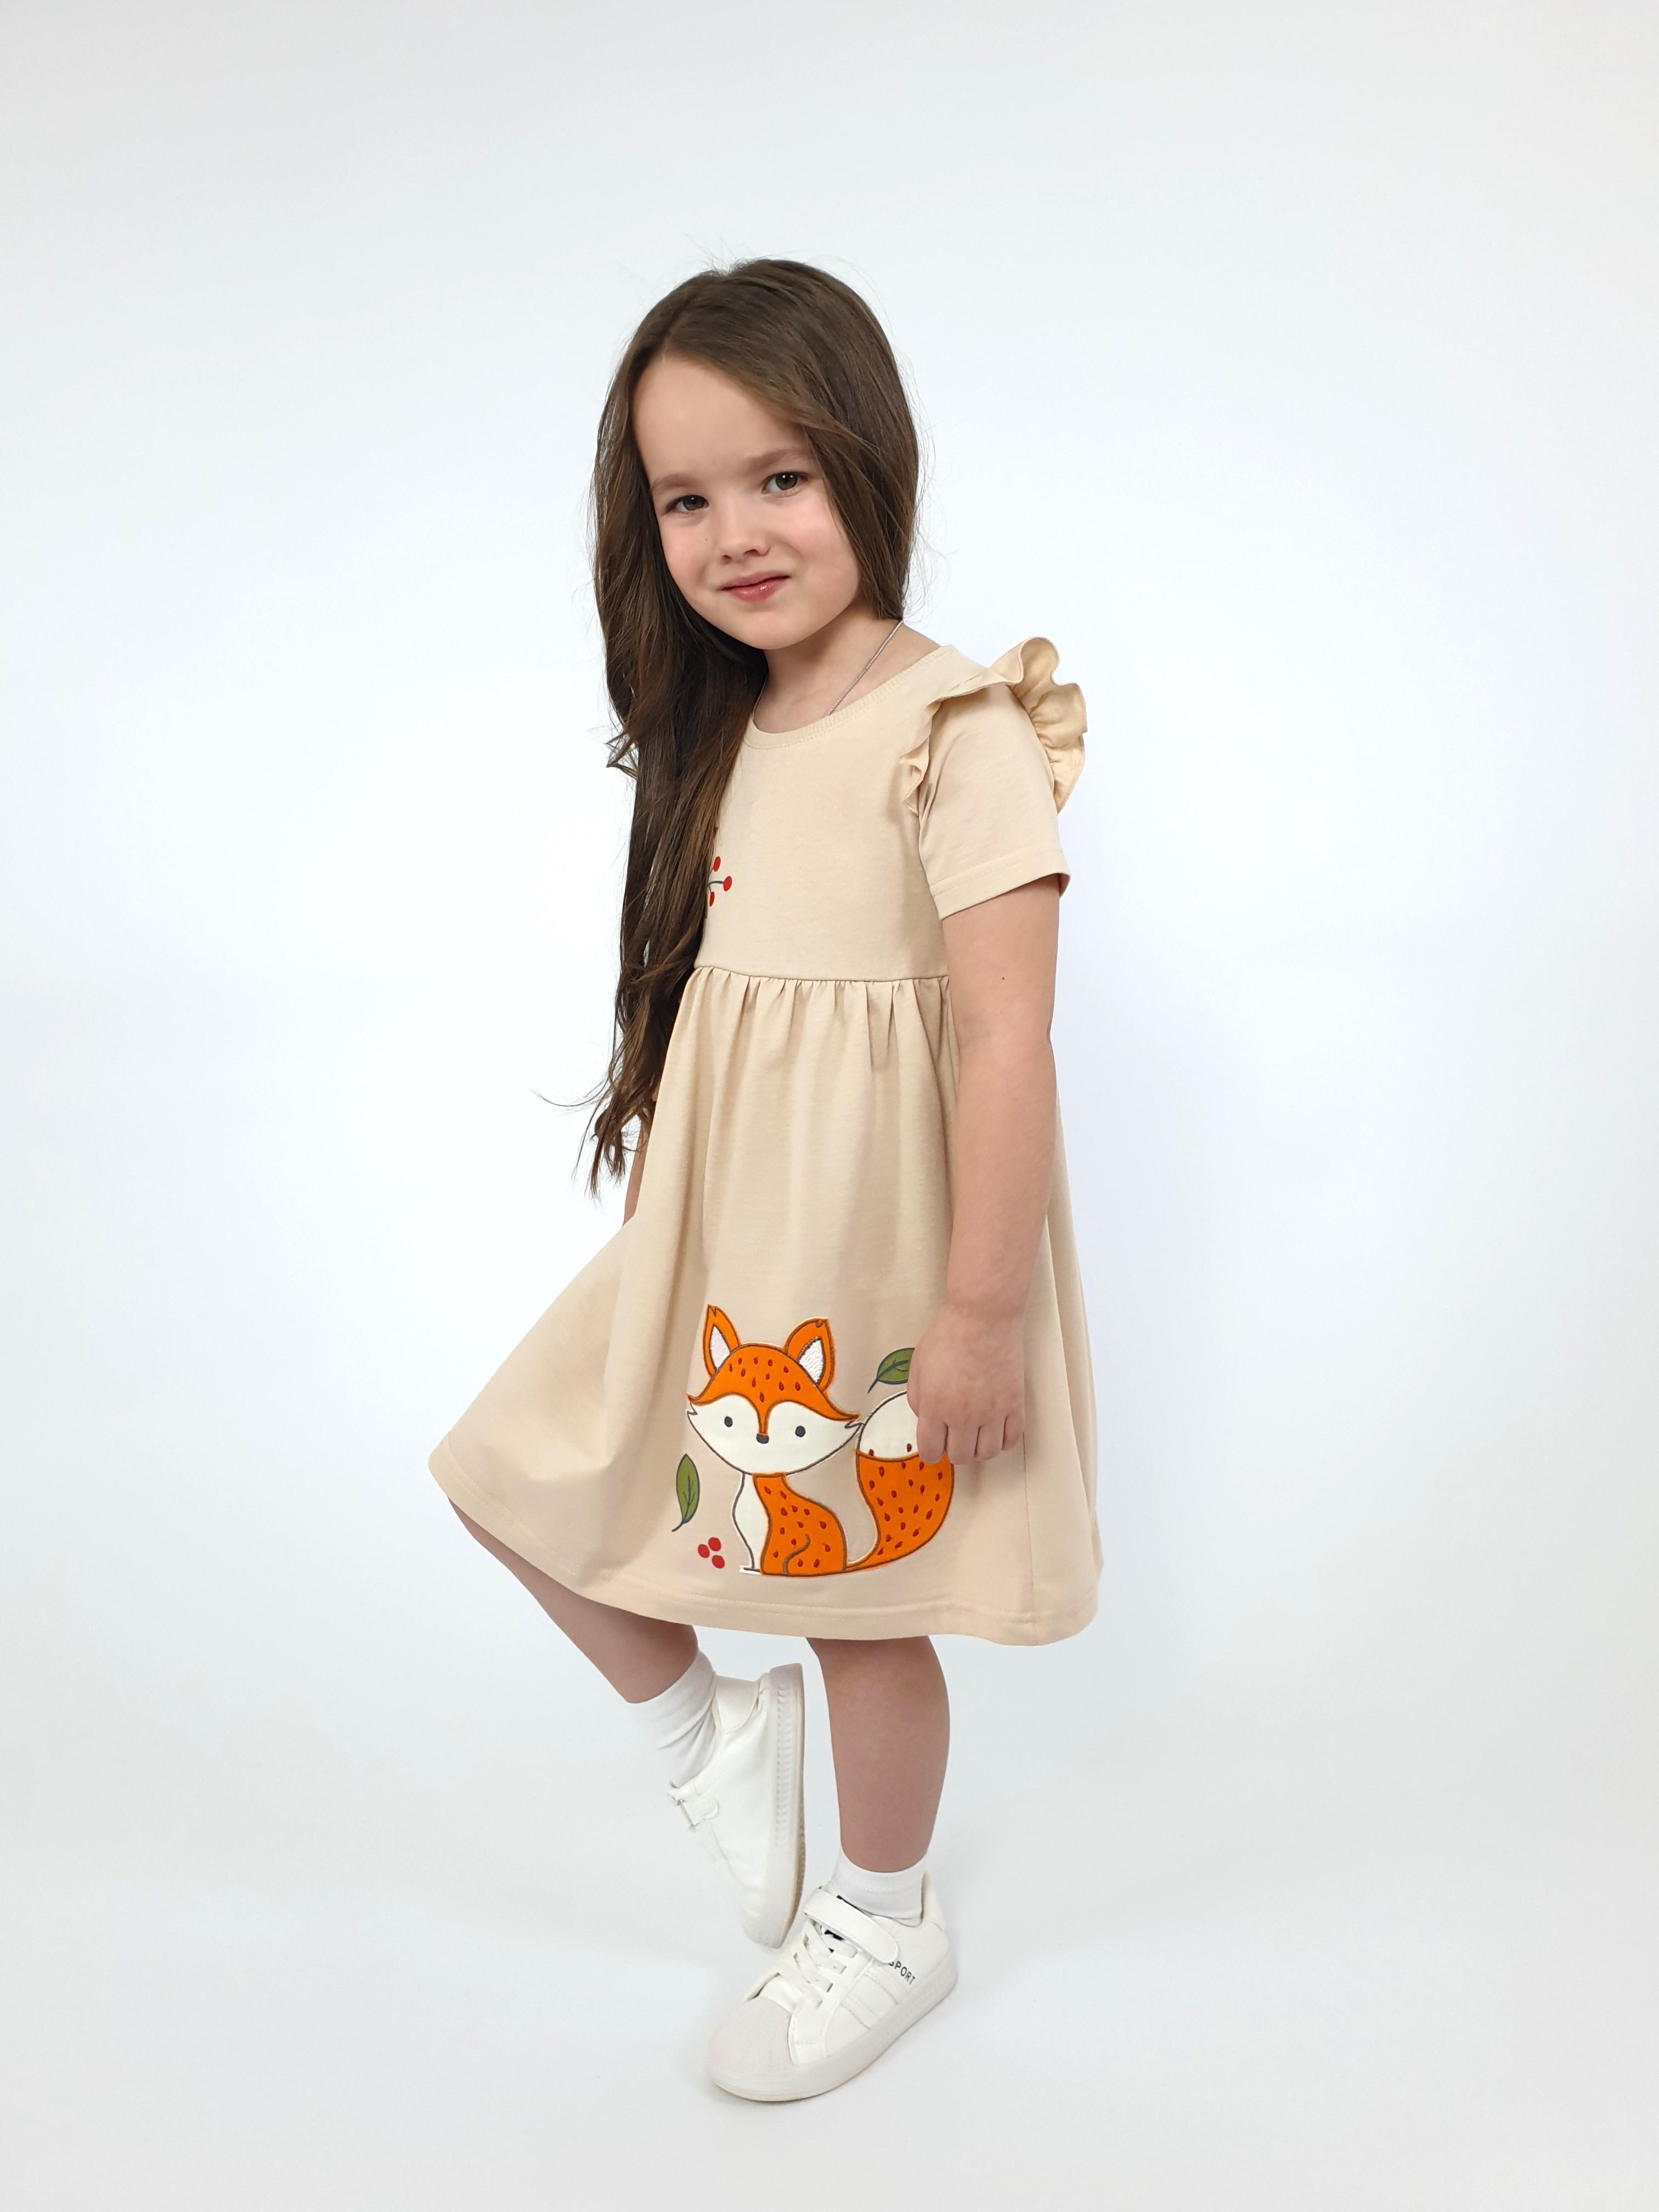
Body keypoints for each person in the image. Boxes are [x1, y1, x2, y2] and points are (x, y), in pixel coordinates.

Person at [428, 256, 1101, 2102]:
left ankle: (883, 1916)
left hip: (883, 1253)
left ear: (867, 461)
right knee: (505, 1470)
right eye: (686, 498)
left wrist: (978, 1312)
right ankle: (712, 1737)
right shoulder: (724, 730)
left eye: (779, 478)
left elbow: (1007, 1038)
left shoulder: (954, 729)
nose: (734, 533)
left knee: (855, 1598)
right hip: (728, 1247)